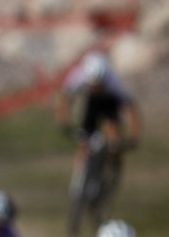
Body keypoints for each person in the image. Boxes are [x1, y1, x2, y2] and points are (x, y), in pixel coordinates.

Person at [56, 51, 141, 190]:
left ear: (104, 79)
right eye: (92, 85)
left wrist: (133, 135)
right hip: (93, 104)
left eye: (98, 85)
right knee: (85, 139)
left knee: (114, 139)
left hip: (110, 103)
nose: (95, 88)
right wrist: (64, 122)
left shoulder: (114, 82)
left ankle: (114, 168)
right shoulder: (79, 76)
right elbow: (65, 98)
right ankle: (80, 178)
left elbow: (131, 108)